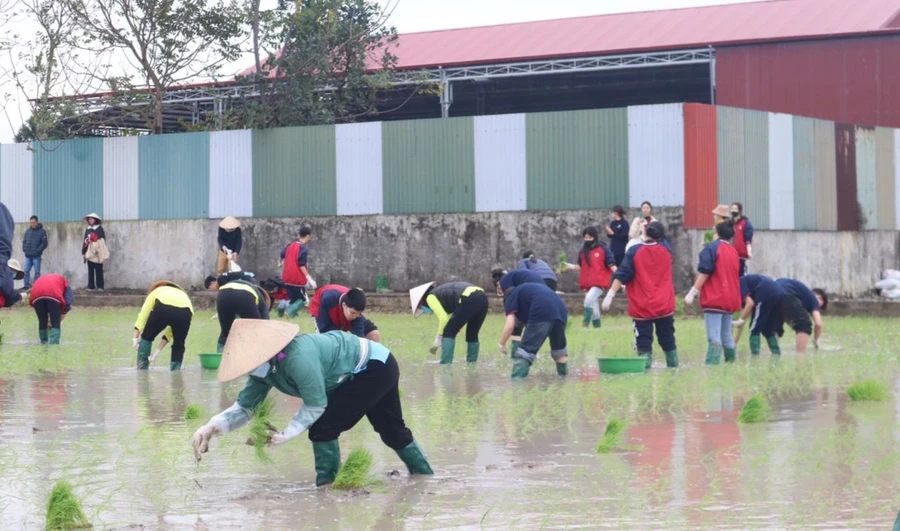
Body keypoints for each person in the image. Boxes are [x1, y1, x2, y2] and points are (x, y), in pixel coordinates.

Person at [190, 320, 434, 487]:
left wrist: (287, 434)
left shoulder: (297, 359)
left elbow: (316, 404)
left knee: (323, 427)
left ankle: (327, 488)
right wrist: (212, 426)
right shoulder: (263, 369)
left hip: (373, 366)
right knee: (391, 430)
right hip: (369, 365)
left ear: (265, 352)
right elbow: (245, 407)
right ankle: (425, 477)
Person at [603, 221, 679, 369]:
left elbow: (622, 274)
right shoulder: (667, 251)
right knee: (668, 340)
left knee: (643, 343)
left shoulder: (634, 251)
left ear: (644, 233)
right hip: (664, 305)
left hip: (642, 306)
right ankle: (674, 369)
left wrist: (610, 295)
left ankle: (645, 373)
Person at [685, 221, 741, 364]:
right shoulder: (734, 252)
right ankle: (731, 365)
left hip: (715, 298)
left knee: (714, 337)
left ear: (716, 233)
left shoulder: (711, 248)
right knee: (727, 336)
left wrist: (693, 292)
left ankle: (712, 369)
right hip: (730, 299)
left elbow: (705, 273)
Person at [498, 282, 569, 378]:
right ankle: (563, 379)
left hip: (542, 308)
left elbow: (510, 325)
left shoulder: (511, 296)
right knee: (559, 352)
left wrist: (501, 344)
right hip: (561, 309)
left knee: (525, 351)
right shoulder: (526, 294)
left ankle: (516, 385)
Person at [409, 281, 488, 364]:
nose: (424, 311)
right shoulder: (443, 296)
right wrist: (459, 330)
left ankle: (445, 364)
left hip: (468, 297)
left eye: (421, 308)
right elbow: (460, 317)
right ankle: (472, 364)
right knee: (472, 333)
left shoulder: (430, 297)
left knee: (448, 331)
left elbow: (443, 318)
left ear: (421, 302)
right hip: (483, 297)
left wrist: (439, 337)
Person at [133, 281, 194, 371]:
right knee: (179, 344)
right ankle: (176, 373)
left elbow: (143, 314)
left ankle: (142, 370)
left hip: (163, 308)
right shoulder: (183, 295)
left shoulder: (156, 291)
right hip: (186, 312)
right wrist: (158, 351)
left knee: (147, 337)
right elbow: (170, 333)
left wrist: (135, 338)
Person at [565, 227, 616, 329]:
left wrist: (621, 278)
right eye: (586, 237)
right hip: (587, 284)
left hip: (599, 283)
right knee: (594, 311)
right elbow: (580, 267)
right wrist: (568, 266)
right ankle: (597, 329)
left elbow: (612, 265)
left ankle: (585, 325)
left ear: (595, 237)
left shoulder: (603, 249)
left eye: (590, 237)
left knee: (588, 300)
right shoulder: (583, 252)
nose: (587, 239)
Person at [206, 273, 270, 353]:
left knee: (226, 332)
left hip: (223, 295)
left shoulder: (253, 289)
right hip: (245, 296)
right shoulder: (263, 303)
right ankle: (257, 357)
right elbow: (265, 326)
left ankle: (220, 357)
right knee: (256, 330)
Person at [491, 267, 545, 358]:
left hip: (533, 294)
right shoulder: (515, 277)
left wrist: (501, 344)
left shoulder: (504, 281)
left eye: (499, 290)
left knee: (516, 324)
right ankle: (530, 352)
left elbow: (511, 306)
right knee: (529, 323)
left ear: (498, 284)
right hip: (544, 293)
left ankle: (517, 356)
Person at [733, 274, 784, 356]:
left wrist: (740, 320)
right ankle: (776, 355)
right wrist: (734, 342)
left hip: (765, 292)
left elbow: (750, 304)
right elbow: (743, 318)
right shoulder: (747, 285)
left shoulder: (739, 282)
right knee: (768, 329)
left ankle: (755, 357)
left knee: (754, 328)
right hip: (780, 292)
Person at [309, 285, 380, 341]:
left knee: (373, 334)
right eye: (353, 313)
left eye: (358, 313)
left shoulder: (356, 315)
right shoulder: (327, 299)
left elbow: (360, 338)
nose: (355, 316)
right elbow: (323, 332)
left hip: (343, 310)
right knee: (332, 340)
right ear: (344, 305)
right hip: (323, 309)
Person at [776, 278, 827, 352]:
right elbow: (818, 324)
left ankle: (771, 353)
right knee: (804, 326)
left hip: (772, 289)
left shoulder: (801, 294)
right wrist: (816, 340)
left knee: (775, 327)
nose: (818, 301)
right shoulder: (813, 300)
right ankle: (800, 355)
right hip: (787, 293)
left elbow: (786, 315)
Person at [280, 226, 316, 318]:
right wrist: (309, 279)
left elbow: (282, 254)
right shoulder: (303, 248)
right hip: (297, 279)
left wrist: (280, 263)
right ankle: (289, 312)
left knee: (294, 299)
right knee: (303, 300)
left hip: (286, 277)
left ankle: (285, 310)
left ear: (299, 235)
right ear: (308, 236)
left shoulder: (290, 245)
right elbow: (301, 265)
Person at [29, 274, 72, 345]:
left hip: (36, 296)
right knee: (55, 323)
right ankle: (53, 345)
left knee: (42, 322)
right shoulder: (65, 283)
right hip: (53, 295)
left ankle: (43, 342)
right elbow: (68, 302)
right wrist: (61, 315)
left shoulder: (43, 279)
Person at [81, 213, 108, 291]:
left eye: (92, 219)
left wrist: (94, 239)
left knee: (98, 269)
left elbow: (102, 239)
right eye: (89, 219)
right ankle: (91, 286)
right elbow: (85, 240)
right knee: (90, 269)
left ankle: (100, 286)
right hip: (90, 252)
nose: (91, 220)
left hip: (97, 252)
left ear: (95, 220)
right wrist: (83, 251)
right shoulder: (88, 229)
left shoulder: (100, 229)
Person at [22, 215, 48, 290]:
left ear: (37, 222)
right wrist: (24, 249)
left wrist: (38, 251)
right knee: (26, 271)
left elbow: (45, 243)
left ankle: (36, 286)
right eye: (30, 223)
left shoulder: (42, 231)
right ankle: (26, 286)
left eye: (33, 222)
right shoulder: (28, 231)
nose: (32, 224)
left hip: (36, 256)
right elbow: (24, 241)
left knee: (37, 272)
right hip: (28, 256)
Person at [731, 203, 754, 276]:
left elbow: (748, 238)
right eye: (732, 209)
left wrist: (749, 251)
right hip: (731, 254)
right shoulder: (730, 223)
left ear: (740, 210)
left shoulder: (745, 223)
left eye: (735, 209)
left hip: (741, 255)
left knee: (740, 275)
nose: (733, 211)